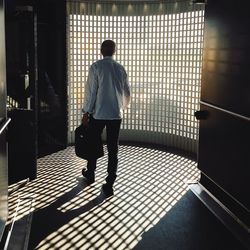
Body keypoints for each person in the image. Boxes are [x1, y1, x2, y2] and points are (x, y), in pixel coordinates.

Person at [81, 40, 131, 196]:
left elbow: (91, 92)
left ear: (101, 50)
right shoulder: (120, 68)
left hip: (98, 114)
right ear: (114, 51)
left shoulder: (96, 67)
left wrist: (86, 112)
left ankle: (91, 174)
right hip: (115, 115)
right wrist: (122, 107)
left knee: (93, 144)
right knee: (113, 149)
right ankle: (110, 182)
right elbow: (127, 93)